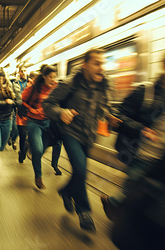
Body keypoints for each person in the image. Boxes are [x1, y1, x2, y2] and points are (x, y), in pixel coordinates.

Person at [102, 47, 165, 220]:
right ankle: (119, 209)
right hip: (145, 156)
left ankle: (116, 203)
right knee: (138, 196)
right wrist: (141, 130)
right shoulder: (146, 91)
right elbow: (118, 114)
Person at [43, 48, 119, 232]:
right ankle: (84, 211)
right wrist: (61, 112)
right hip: (71, 133)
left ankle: (66, 191)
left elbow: (106, 106)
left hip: (89, 135)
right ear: (85, 65)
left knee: (80, 171)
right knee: (80, 169)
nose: (101, 68)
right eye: (97, 63)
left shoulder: (105, 84)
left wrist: (110, 116)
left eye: (103, 63)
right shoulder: (69, 83)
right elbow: (47, 104)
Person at [22, 65, 62, 190]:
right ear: (44, 76)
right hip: (34, 122)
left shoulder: (56, 87)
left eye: (54, 77)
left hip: (49, 122)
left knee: (49, 146)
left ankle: (32, 149)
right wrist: (32, 109)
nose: (52, 80)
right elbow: (23, 101)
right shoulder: (34, 87)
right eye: (50, 77)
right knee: (38, 150)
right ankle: (38, 177)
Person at [8, 66, 28, 150]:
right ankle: (13, 138)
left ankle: (16, 141)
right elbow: (11, 93)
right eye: (21, 71)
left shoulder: (29, 82)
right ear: (18, 72)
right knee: (15, 126)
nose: (23, 72)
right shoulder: (14, 83)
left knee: (24, 130)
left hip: (26, 108)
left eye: (24, 71)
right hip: (16, 106)